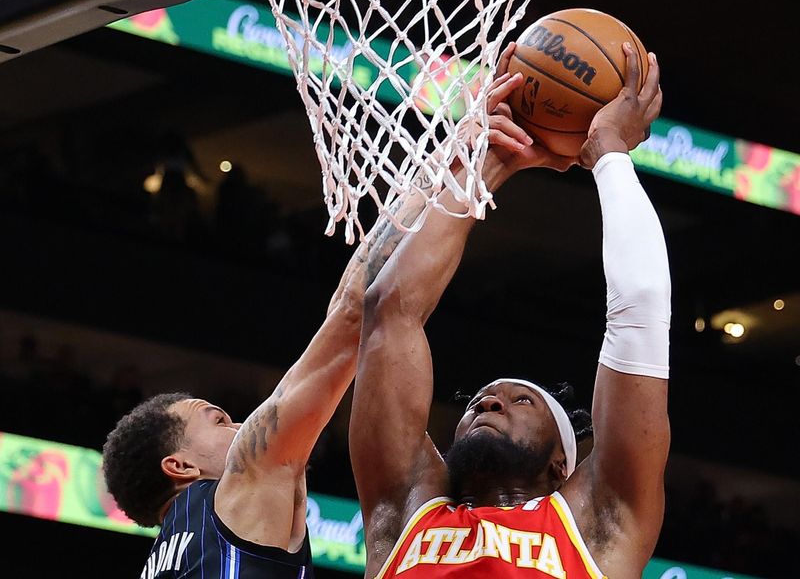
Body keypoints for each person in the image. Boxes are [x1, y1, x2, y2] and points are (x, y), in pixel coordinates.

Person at [100, 51, 572, 578]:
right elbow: (353, 316)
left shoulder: (165, 559)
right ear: (181, 466)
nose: (241, 423)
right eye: (220, 421)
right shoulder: (240, 487)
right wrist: (471, 162)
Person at [351, 41, 666, 579]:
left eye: (519, 401)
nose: (487, 406)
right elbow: (390, 310)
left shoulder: (597, 523)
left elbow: (640, 307)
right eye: (480, 402)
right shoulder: (404, 512)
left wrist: (609, 152)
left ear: (560, 465)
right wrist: (489, 162)